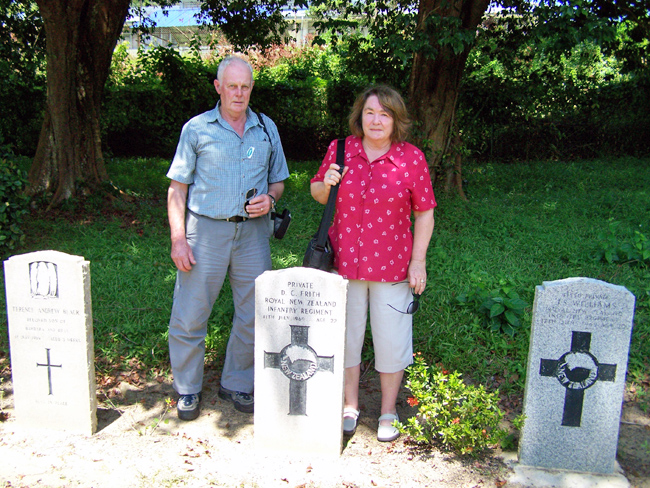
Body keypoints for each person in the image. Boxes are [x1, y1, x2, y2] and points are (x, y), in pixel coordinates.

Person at [310, 85, 436, 442]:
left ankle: (387, 410)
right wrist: (326, 183)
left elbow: (425, 213)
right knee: (347, 336)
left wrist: (419, 262)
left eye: (385, 114)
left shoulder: (411, 158)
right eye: (370, 112)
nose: (376, 120)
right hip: (344, 264)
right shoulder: (340, 149)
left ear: (396, 120)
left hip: (393, 267)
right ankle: (350, 405)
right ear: (359, 116)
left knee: (391, 340)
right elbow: (318, 193)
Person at [166, 55, 289, 420]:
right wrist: (178, 238)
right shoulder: (197, 129)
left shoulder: (266, 127)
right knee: (191, 312)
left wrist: (271, 197)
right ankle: (187, 388)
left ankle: (236, 381)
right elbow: (176, 189)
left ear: (252, 89)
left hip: (252, 233)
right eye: (231, 86)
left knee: (254, 312)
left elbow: (279, 181)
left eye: (245, 86)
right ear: (218, 87)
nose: (239, 93)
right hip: (205, 231)